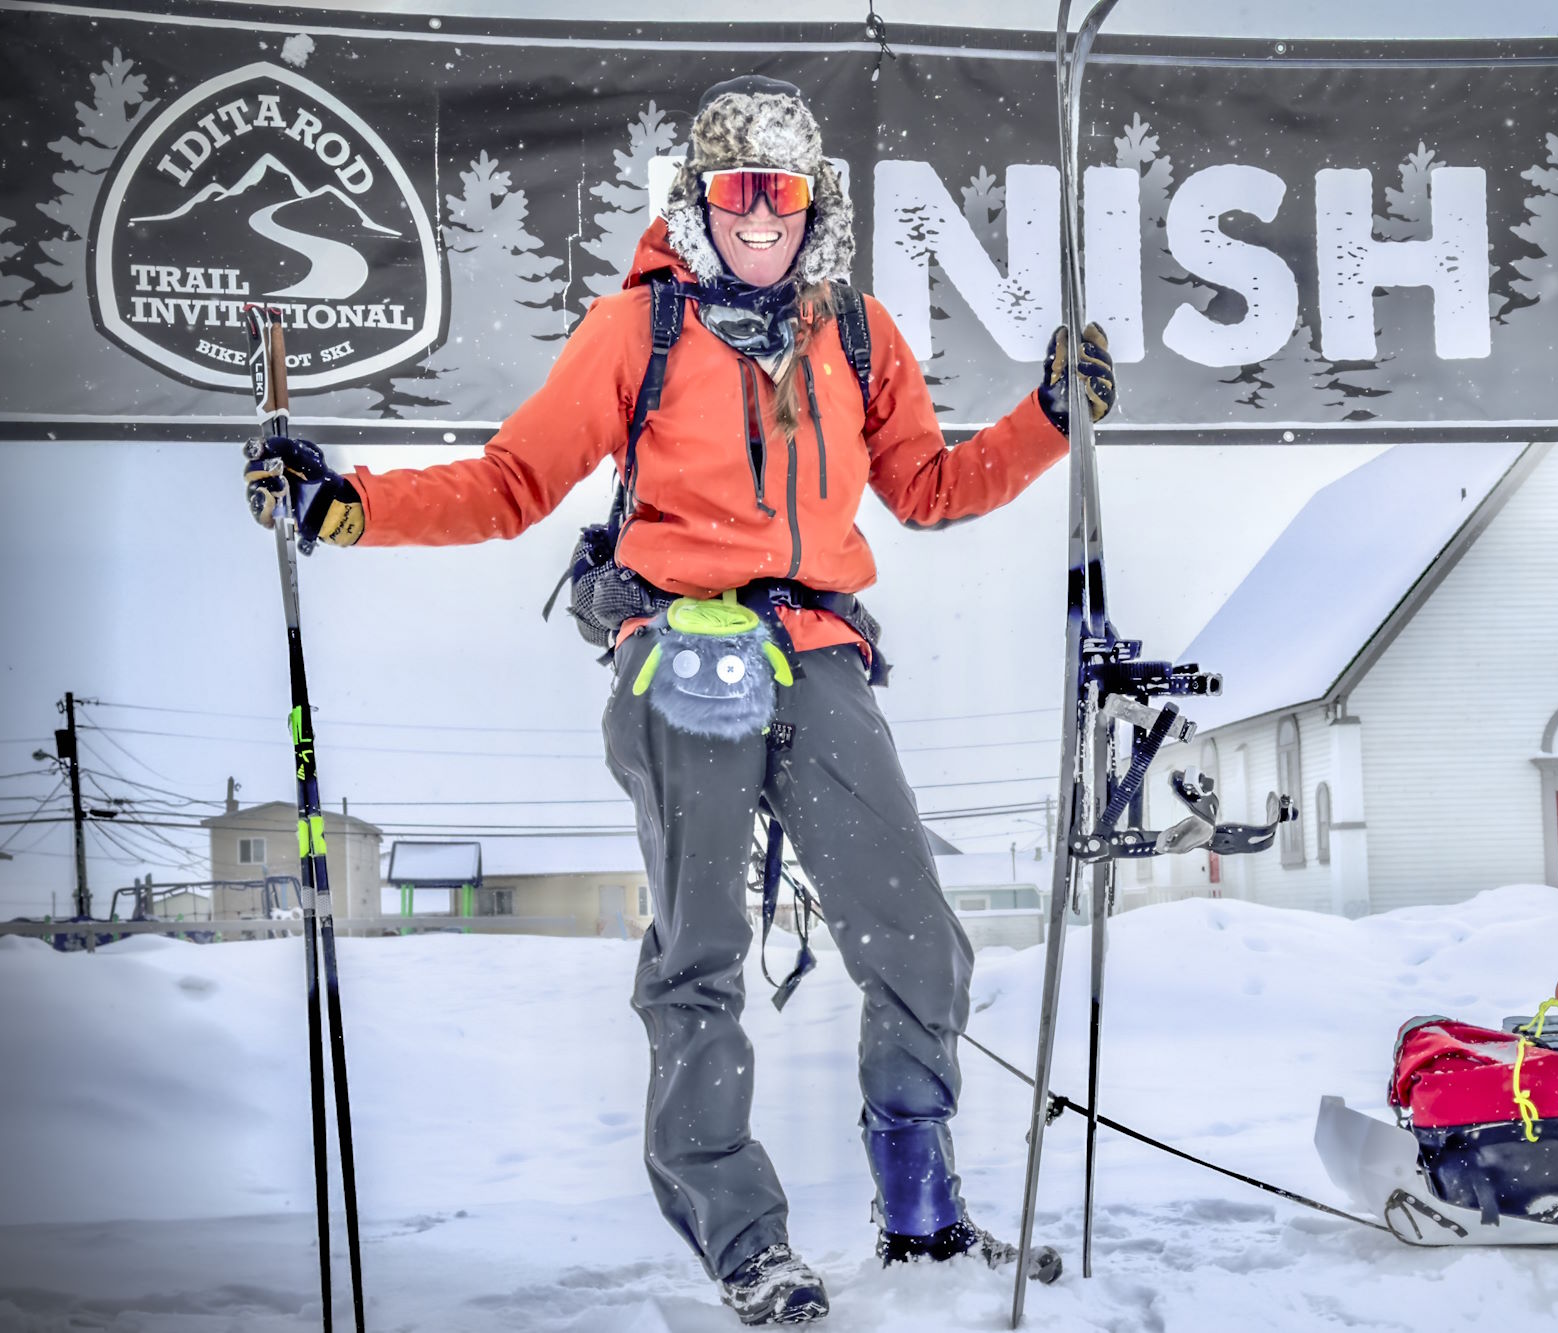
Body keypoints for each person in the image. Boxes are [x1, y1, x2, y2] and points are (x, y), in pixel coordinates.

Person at [244, 75, 1114, 1327]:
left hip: (815, 651)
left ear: (818, 205)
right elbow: (508, 483)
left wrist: (1043, 418)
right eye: (734, 190)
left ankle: (919, 1207)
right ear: (699, 201)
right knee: (696, 954)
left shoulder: (857, 332)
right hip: (677, 652)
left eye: (783, 191)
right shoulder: (635, 330)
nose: (760, 215)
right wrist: (347, 504)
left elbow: (925, 486)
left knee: (916, 937)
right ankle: (744, 1239)